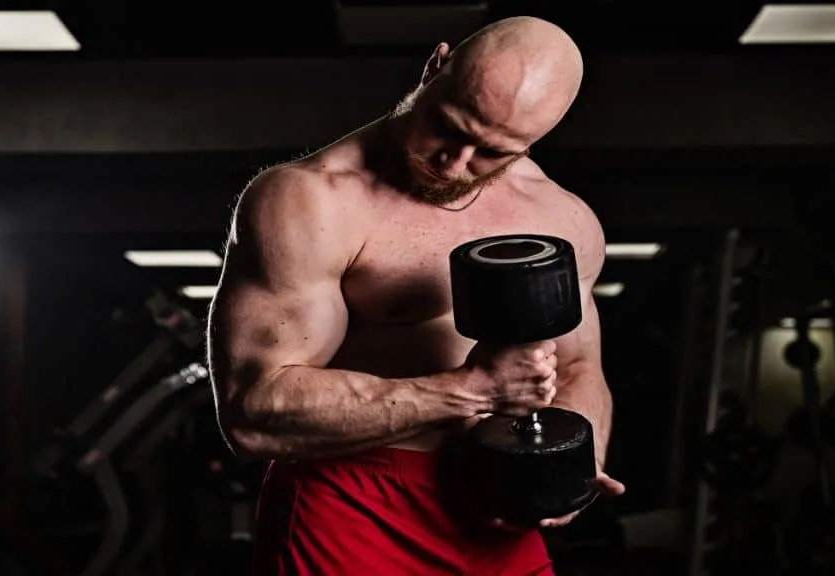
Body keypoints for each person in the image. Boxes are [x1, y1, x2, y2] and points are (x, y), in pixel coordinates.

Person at [207, 15, 624, 576]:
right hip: (351, 506)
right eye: (447, 127)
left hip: (492, 511)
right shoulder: (307, 202)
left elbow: (579, 369)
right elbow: (253, 413)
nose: (454, 163)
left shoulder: (564, 219)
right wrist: (471, 391)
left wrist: (573, 460)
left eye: (493, 152)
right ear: (435, 66)